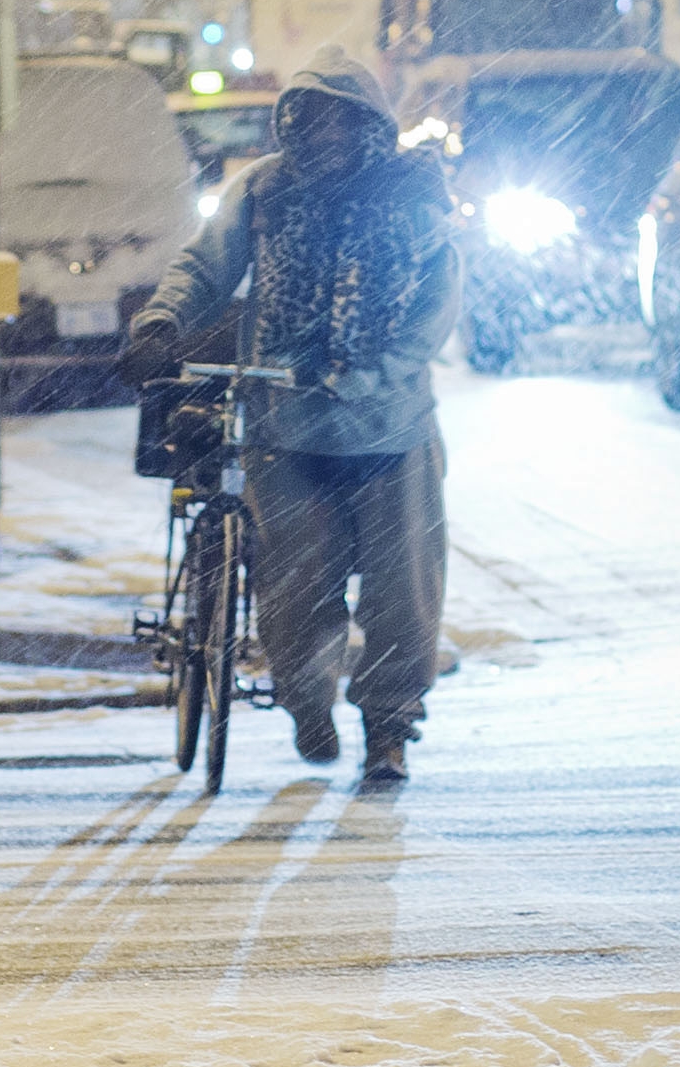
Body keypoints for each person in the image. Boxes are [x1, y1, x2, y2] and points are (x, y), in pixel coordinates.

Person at [124, 46, 458, 786]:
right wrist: (161, 323)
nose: (327, 135)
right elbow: (204, 266)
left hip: (390, 433)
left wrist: (358, 374)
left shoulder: (414, 198)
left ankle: (389, 729)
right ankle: (308, 703)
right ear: (294, 123)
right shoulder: (264, 191)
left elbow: (431, 317)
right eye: (314, 121)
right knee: (293, 593)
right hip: (285, 431)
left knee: (402, 595)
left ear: (371, 127)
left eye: (343, 122)